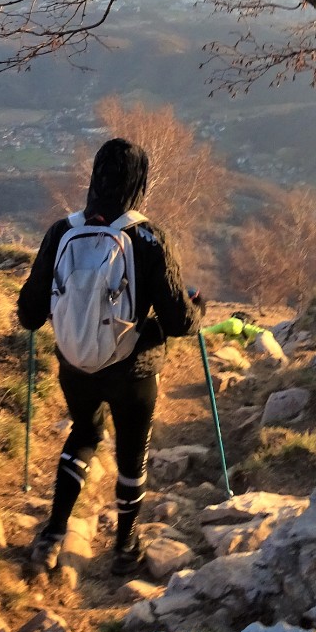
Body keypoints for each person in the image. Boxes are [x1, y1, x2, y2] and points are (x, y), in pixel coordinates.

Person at [16, 137, 204, 575]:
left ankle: (53, 533)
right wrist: (200, 306)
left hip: (75, 363)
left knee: (83, 432)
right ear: (140, 182)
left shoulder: (61, 232)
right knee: (132, 453)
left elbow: (28, 315)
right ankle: (125, 546)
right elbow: (179, 321)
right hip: (133, 371)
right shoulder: (148, 237)